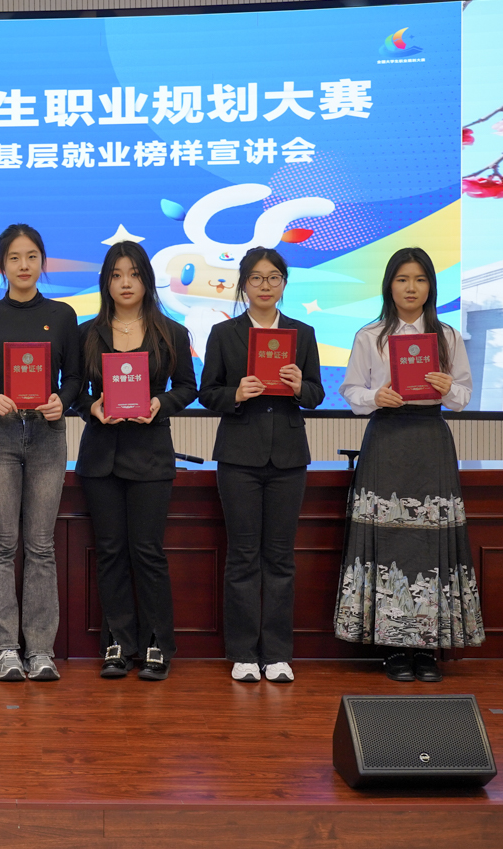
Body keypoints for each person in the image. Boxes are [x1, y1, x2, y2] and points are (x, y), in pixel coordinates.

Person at [335, 247, 482, 683]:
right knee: (388, 541)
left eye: (419, 279)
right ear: (389, 286)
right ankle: (394, 649)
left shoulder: (448, 336)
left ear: (430, 286)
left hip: (430, 439)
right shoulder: (370, 335)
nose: (411, 288)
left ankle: (426, 649)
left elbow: (463, 397)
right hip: (386, 438)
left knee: (430, 542)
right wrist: (374, 396)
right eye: (402, 279)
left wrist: (447, 386)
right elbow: (351, 390)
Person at [0, 224, 82, 682]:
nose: (24, 265)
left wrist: (62, 401)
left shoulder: (63, 315)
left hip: (48, 435)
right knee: (1, 543)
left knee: (41, 545)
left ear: (42, 261)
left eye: (32, 256)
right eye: (14, 257)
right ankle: (6, 648)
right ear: (2, 265)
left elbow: (75, 378)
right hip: (0, 436)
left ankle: (41, 650)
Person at [197, 247, 323, 685]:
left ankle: (278, 653)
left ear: (284, 283)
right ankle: (244, 653)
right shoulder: (224, 333)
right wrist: (236, 393)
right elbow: (207, 392)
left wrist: (299, 386)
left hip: (288, 457)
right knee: (244, 556)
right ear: (244, 284)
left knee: (281, 558)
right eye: (256, 278)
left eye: (273, 278)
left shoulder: (302, 333)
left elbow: (316, 394)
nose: (265, 285)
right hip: (239, 457)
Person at [75, 242, 198, 682]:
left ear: (147, 279)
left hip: (150, 455)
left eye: (134, 274)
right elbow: (73, 391)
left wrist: (159, 403)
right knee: (110, 552)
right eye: (116, 275)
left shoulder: (172, 332)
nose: (125, 283)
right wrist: (91, 407)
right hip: (101, 458)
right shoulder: (87, 333)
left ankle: (157, 645)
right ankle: (117, 644)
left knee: (147, 552)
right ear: (105, 282)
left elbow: (188, 388)